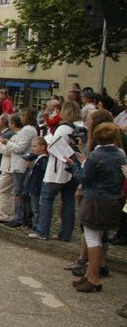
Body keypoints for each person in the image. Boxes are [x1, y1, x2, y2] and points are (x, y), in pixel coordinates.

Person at [69, 123, 125, 292]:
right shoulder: (121, 154)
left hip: (96, 200)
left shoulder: (96, 156)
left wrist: (74, 165)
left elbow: (83, 178)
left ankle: (93, 277)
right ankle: (89, 274)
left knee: (93, 238)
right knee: (100, 236)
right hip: (113, 198)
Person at [30, 100, 82, 241]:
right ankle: (65, 234)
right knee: (68, 201)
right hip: (73, 169)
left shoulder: (62, 128)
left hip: (58, 169)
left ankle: (42, 230)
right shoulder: (78, 127)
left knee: (46, 199)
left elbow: (53, 147)